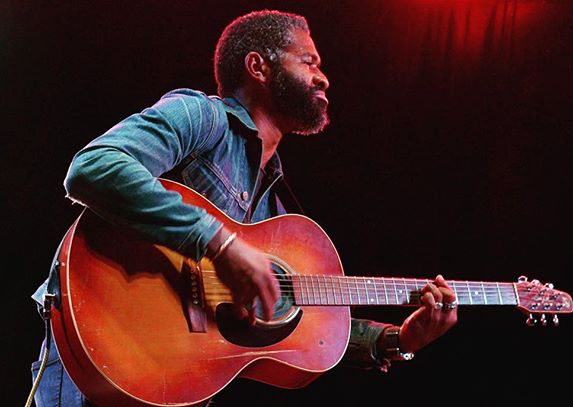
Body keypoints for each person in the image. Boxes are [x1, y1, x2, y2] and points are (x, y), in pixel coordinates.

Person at [30, 10, 458, 406]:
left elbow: (308, 333)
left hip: (176, 381)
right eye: (308, 62)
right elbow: (93, 167)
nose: (324, 77)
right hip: (108, 334)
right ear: (258, 67)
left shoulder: (275, 212)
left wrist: (400, 339)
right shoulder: (202, 117)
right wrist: (220, 244)